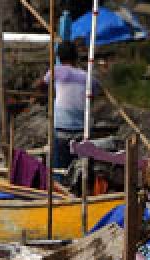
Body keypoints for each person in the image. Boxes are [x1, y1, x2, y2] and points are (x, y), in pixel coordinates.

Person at [37, 41, 100, 172]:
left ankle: (59, 185)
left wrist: (48, 92)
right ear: (76, 57)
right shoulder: (87, 77)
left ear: (59, 57)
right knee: (80, 169)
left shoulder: (56, 71)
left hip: (62, 128)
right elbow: (94, 94)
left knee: (60, 168)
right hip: (83, 129)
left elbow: (41, 85)